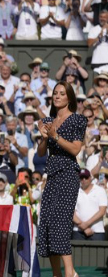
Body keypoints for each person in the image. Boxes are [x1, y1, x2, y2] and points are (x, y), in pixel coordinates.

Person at [37, 81, 87, 277]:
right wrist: (44, 137)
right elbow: (41, 153)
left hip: (68, 174)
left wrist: (55, 136)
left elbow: (75, 149)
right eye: (55, 93)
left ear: (69, 98)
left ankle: (69, 273)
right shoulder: (47, 120)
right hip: (52, 175)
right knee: (48, 224)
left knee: (60, 223)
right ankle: (57, 274)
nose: (57, 96)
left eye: (61, 93)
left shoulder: (77, 119)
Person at [72, 169, 107, 241]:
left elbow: (102, 211)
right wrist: (85, 227)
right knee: (77, 252)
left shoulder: (100, 190)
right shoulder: (74, 192)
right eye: (81, 178)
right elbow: (71, 213)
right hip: (78, 231)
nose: (84, 180)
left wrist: (85, 225)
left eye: (86, 177)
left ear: (90, 178)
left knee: (98, 252)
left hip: (97, 231)